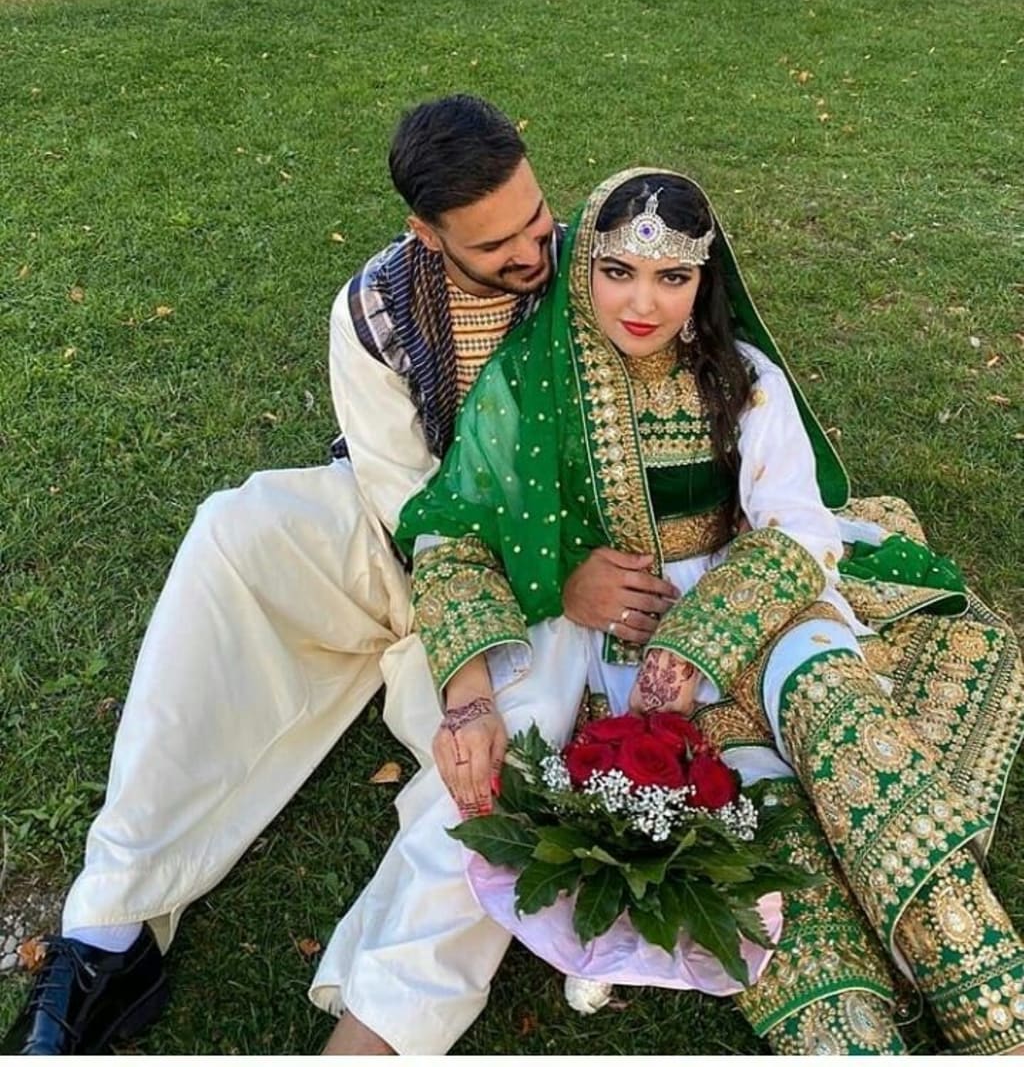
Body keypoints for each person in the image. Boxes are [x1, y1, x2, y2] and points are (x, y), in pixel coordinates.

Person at [3, 101, 682, 1056]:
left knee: (509, 750)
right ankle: (108, 934)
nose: (533, 250)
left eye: (535, 217)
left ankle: (385, 1022)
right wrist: (467, 641)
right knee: (233, 531)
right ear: (427, 235)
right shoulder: (373, 309)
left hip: (550, 573)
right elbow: (411, 506)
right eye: (496, 245)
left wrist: (544, 599)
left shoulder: (592, 277)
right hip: (408, 538)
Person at [316, 168, 1024, 1056]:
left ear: (704, 279)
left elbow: (798, 530)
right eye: (618, 272)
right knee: (764, 846)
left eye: (673, 277)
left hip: (766, 606)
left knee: (853, 740)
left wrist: (699, 641)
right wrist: (469, 701)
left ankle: (993, 1006)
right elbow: (454, 538)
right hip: (627, 657)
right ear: (586, 268)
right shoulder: (530, 381)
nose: (644, 303)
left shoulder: (745, 378)